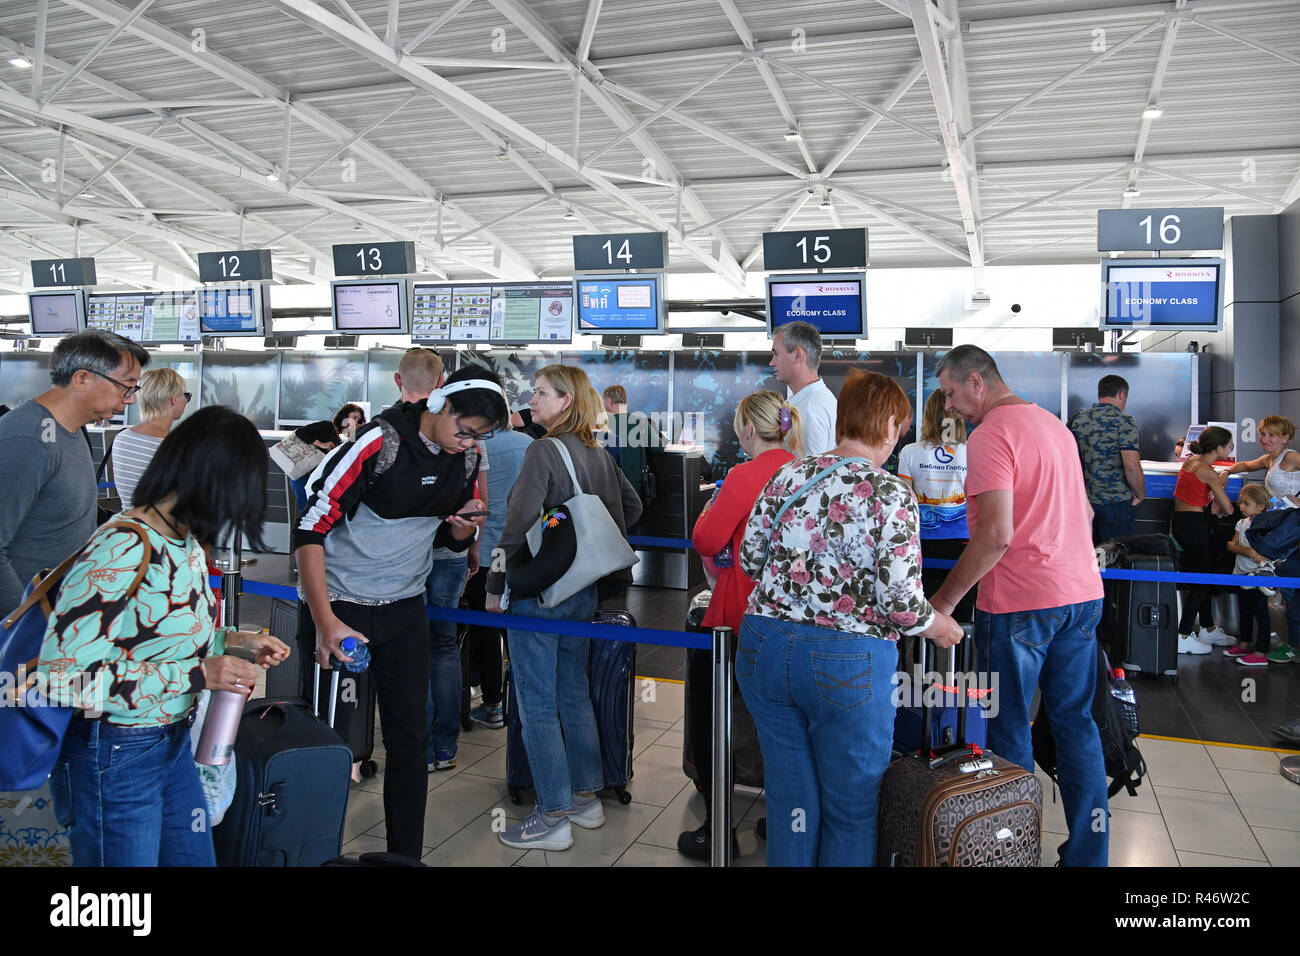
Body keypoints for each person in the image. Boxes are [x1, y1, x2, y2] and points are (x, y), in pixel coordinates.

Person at [38, 406, 290, 866]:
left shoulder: (185, 541)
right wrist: (199, 673)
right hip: (114, 749)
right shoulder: (124, 545)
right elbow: (63, 674)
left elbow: (160, 634)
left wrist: (233, 642)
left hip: (170, 742)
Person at [735, 370, 963, 866]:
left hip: (763, 649)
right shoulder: (891, 493)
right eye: (900, 425)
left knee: (791, 802)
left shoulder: (790, 473)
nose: (899, 434)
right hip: (846, 663)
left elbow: (751, 560)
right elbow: (901, 602)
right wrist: (940, 626)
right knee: (851, 810)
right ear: (886, 424)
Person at [295, 366, 506, 858]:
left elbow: (445, 537)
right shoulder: (378, 442)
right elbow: (310, 527)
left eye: (481, 436)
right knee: (331, 739)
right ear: (440, 405)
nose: (469, 443)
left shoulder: (468, 459)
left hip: (405, 606)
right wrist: (325, 622)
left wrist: (463, 528)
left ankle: (403, 854)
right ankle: (313, 850)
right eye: (466, 430)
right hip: (341, 605)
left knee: (410, 738)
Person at [929, 345, 1108, 868]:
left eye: (950, 393)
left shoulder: (990, 435)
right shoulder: (1055, 427)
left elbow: (996, 536)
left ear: (977, 383)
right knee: (1075, 723)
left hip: (1021, 603)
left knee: (1009, 729)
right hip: (1081, 594)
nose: (949, 406)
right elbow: (1087, 511)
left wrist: (942, 603)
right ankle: (1087, 856)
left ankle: (1014, 855)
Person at [486, 364, 642, 852]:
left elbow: (517, 525)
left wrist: (496, 581)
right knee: (573, 692)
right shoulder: (596, 451)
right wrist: (584, 538)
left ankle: (552, 815)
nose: (532, 401)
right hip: (584, 591)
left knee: (536, 702)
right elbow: (632, 507)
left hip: (540, 592)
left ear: (566, 401)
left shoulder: (543, 450)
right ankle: (585, 798)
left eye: (541, 393)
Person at [678, 390, 802, 861]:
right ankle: (788, 818)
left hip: (737, 614)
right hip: (791, 617)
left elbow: (706, 536)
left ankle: (719, 828)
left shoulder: (745, 475)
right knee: (785, 725)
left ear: (748, 429)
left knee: (716, 718)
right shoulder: (806, 470)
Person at [0, 329, 148, 615]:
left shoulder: (70, 431)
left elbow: (67, 517)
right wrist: (27, 624)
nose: (129, 399)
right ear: (82, 378)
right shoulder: (28, 440)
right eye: (125, 386)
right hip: (23, 637)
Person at [463, 418, 534, 730]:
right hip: (522, 549)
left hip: (488, 547)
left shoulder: (478, 446)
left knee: (485, 630)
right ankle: (523, 701)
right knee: (516, 628)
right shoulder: (530, 445)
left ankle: (492, 704)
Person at [1225, 414, 1300, 664]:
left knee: (1290, 589)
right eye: (1263, 434)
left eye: (1272, 435)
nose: (1265, 439)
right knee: (1286, 588)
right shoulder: (1271, 459)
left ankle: (1292, 646)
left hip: (1292, 530)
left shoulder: (1290, 457)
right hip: (1281, 531)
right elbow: (1246, 465)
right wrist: (1226, 470)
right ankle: (1289, 644)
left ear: (1285, 437)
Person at [897, 388, 974, 624]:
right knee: (961, 620)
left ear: (928, 415)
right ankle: (960, 661)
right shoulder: (972, 451)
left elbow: (905, 505)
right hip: (963, 548)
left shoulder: (910, 452)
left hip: (922, 546)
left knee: (923, 619)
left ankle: (921, 661)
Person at [1169, 426, 1236, 655]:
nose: (1231, 449)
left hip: (1181, 522)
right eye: (1230, 445)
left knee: (1202, 573)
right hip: (1194, 525)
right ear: (1219, 448)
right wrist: (1218, 485)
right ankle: (1184, 634)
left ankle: (1207, 627)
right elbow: (1227, 508)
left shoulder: (1191, 461)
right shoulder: (1207, 471)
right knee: (1201, 578)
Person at [1068, 374, 1145, 543]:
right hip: (1115, 502)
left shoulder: (1078, 420)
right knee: (1114, 555)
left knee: (1088, 554)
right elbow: (1131, 465)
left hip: (1083, 502)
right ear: (1121, 394)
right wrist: (1140, 493)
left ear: (1099, 394)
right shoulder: (1124, 422)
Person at [110, 368, 191, 511]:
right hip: (160, 531)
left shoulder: (122, 438)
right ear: (173, 399)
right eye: (186, 395)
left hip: (128, 526)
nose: (186, 401)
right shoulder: (175, 448)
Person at [1223, 484, 1277, 667]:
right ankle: (1244, 643)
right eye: (1241, 503)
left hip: (1260, 576)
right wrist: (1249, 552)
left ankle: (1261, 651)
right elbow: (1232, 545)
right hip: (1241, 573)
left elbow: (1264, 551)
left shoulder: (1268, 527)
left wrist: (1246, 551)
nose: (1242, 507)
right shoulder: (1241, 523)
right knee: (1244, 611)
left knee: (1261, 613)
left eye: (1247, 503)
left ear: (1262, 506)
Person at [769, 321, 838, 456]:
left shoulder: (811, 409)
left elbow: (811, 474)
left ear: (798, 355)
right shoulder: (804, 401)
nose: (771, 362)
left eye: (776, 354)